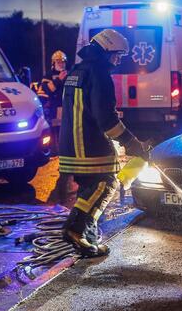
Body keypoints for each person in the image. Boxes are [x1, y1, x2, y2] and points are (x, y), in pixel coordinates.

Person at [59, 29, 150, 256]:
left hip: (72, 143)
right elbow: (107, 120)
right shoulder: (99, 74)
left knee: (90, 189)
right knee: (106, 183)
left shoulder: (78, 70)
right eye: (117, 55)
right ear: (107, 51)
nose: (118, 61)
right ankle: (75, 228)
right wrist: (132, 142)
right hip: (87, 145)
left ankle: (87, 240)